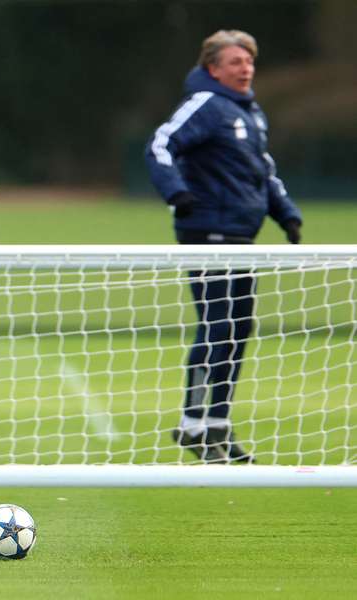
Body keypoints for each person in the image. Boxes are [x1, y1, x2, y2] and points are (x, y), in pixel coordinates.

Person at [145, 30, 302, 463]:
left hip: (242, 237)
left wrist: (285, 213)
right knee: (216, 325)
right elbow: (160, 145)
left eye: (249, 61)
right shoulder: (205, 106)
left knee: (237, 329)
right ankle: (193, 421)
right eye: (235, 61)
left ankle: (217, 423)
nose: (246, 68)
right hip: (206, 233)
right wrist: (177, 192)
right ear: (213, 68)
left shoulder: (251, 114)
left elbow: (264, 171)